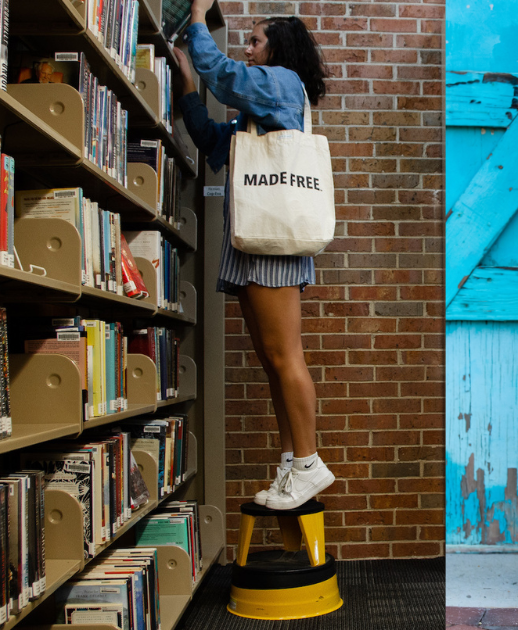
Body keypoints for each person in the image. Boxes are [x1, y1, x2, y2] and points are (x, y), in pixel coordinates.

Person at [174, 0, 333, 510]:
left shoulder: (283, 83)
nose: (247, 48)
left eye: (256, 40)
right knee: (271, 359)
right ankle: (291, 464)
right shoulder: (256, 112)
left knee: (285, 355)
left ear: (279, 50)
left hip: (273, 242)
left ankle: (308, 464)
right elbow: (210, 142)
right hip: (253, 240)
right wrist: (186, 88)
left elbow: (223, 73)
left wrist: (198, 18)